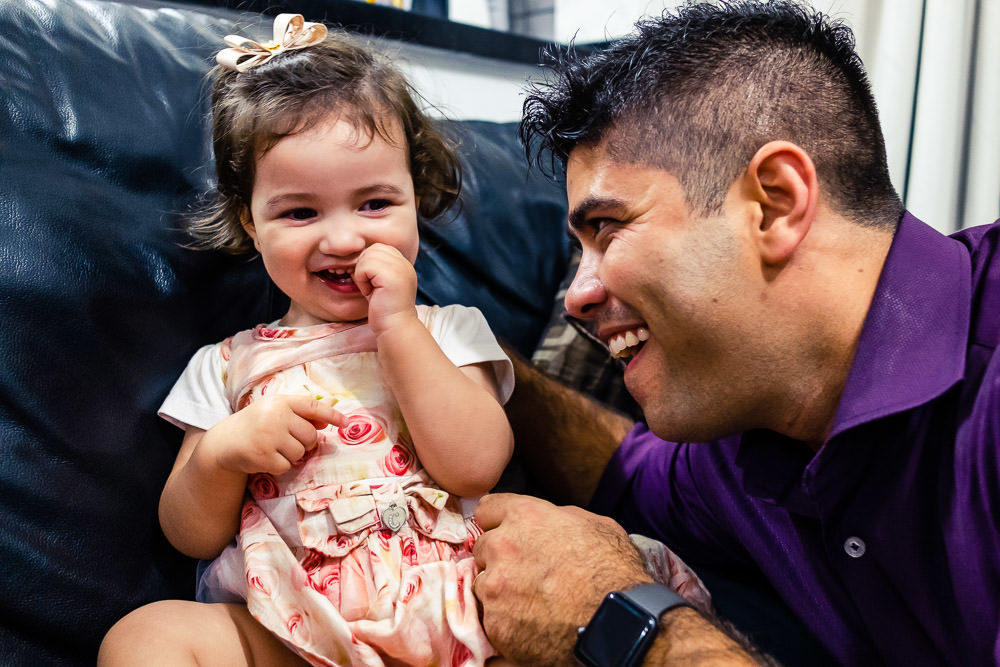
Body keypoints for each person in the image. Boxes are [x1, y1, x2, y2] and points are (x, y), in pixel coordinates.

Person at [471, 1, 1000, 665]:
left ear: (775, 203)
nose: (577, 295)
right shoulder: (748, 429)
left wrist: (618, 624)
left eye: (607, 227)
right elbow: (626, 475)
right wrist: (482, 363)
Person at [98, 15, 517, 666]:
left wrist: (399, 327)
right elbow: (189, 534)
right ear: (251, 221)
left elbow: (476, 463)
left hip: (455, 610)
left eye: (375, 202)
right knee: (143, 637)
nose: (344, 238)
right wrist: (221, 458)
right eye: (300, 211)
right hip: (292, 628)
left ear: (414, 195)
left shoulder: (446, 329)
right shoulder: (230, 364)